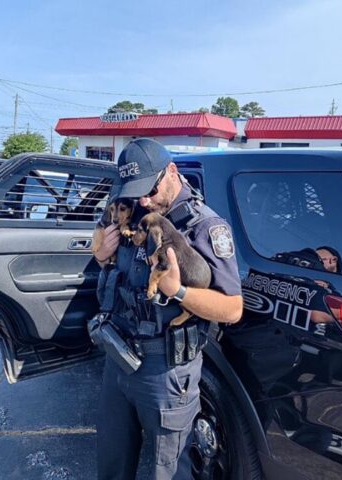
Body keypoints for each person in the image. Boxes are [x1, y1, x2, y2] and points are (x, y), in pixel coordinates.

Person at [92, 138, 243, 480]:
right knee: (112, 463)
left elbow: (232, 309)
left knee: (169, 472)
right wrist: (101, 256)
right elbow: (120, 272)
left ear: (172, 172)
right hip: (118, 356)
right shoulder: (136, 213)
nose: (143, 199)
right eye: (135, 191)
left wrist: (178, 291)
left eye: (149, 189)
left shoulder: (206, 226)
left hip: (165, 371)